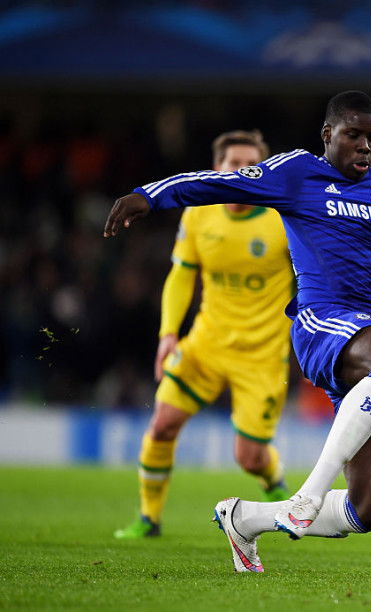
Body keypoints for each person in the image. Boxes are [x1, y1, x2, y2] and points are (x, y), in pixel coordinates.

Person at [104, 91, 371, 571]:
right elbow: (218, 184)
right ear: (328, 135)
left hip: (365, 335)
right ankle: (309, 493)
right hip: (321, 322)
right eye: (355, 135)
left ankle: (246, 519)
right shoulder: (296, 173)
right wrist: (148, 196)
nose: (365, 146)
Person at [114, 130, 294, 539]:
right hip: (206, 344)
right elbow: (181, 274)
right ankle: (148, 518)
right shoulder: (198, 214)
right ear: (217, 170)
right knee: (162, 423)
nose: (243, 172)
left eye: (253, 166)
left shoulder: (282, 218)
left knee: (248, 457)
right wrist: (168, 333)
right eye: (234, 164)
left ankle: (272, 477)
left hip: (262, 353)